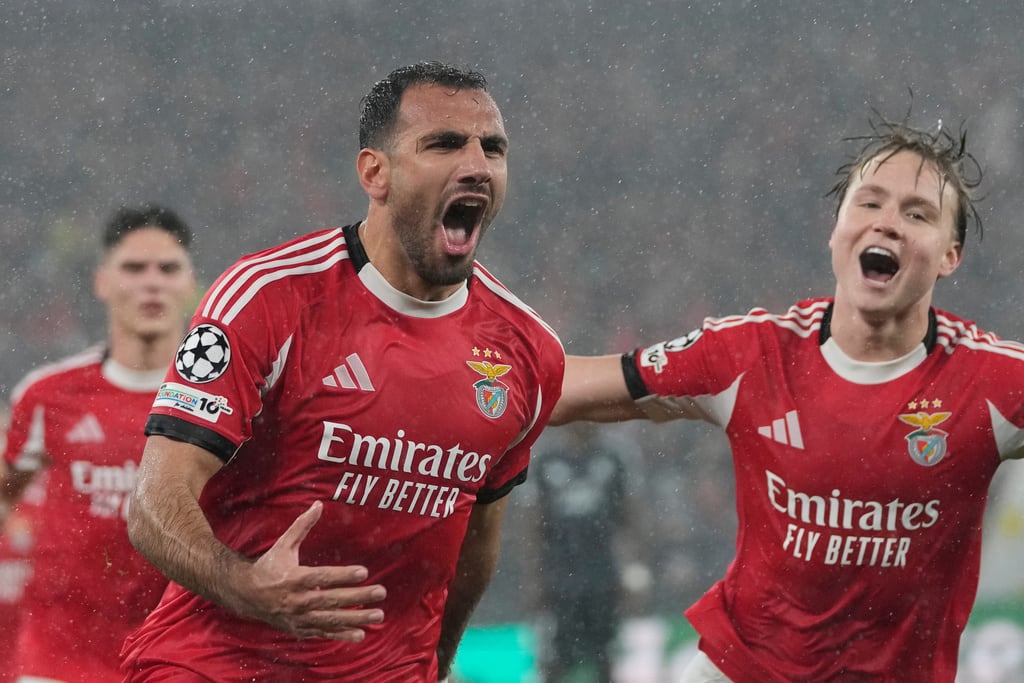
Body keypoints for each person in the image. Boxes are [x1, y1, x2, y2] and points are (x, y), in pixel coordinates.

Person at [121, 61, 564, 682]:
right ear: (374, 173)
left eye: (492, 147)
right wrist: (246, 587)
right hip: (213, 667)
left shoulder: (528, 350)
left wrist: (433, 666)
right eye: (442, 143)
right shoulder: (268, 297)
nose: (476, 165)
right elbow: (152, 503)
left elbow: (475, 543)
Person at [550, 116, 1024, 682]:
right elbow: (567, 391)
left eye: (916, 213)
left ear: (950, 255)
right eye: (868, 204)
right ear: (836, 230)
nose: (888, 224)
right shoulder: (750, 355)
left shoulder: (992, 383)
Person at [0, 203, 197, 682]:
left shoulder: (227, 396)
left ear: (190, 284)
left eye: (167, 268)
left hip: (176, 657)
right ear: (102, 282)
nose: (151, 282)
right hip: (57, 659)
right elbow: (5, 494)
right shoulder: (47, 394)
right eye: (134, 267)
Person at [528, 422, 634, 683]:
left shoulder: (612, 458)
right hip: (560, 577)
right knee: (555, 657)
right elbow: (534, 524)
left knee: (604, 655)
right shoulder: (547, 461)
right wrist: (534, 577)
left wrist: (632, 569)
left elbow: (629, 519)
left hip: (603, 575)